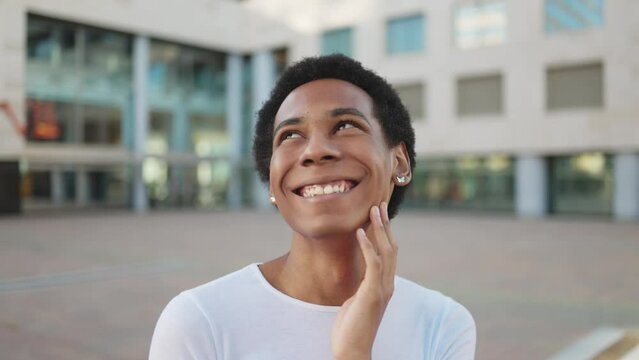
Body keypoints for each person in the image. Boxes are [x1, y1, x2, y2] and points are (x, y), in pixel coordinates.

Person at [149, 54, 476, 360]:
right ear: (272, 182)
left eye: (346, 125)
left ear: (399, 162)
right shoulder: (198, 322)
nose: (316, 150)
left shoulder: (442, 325)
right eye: (290, 135)